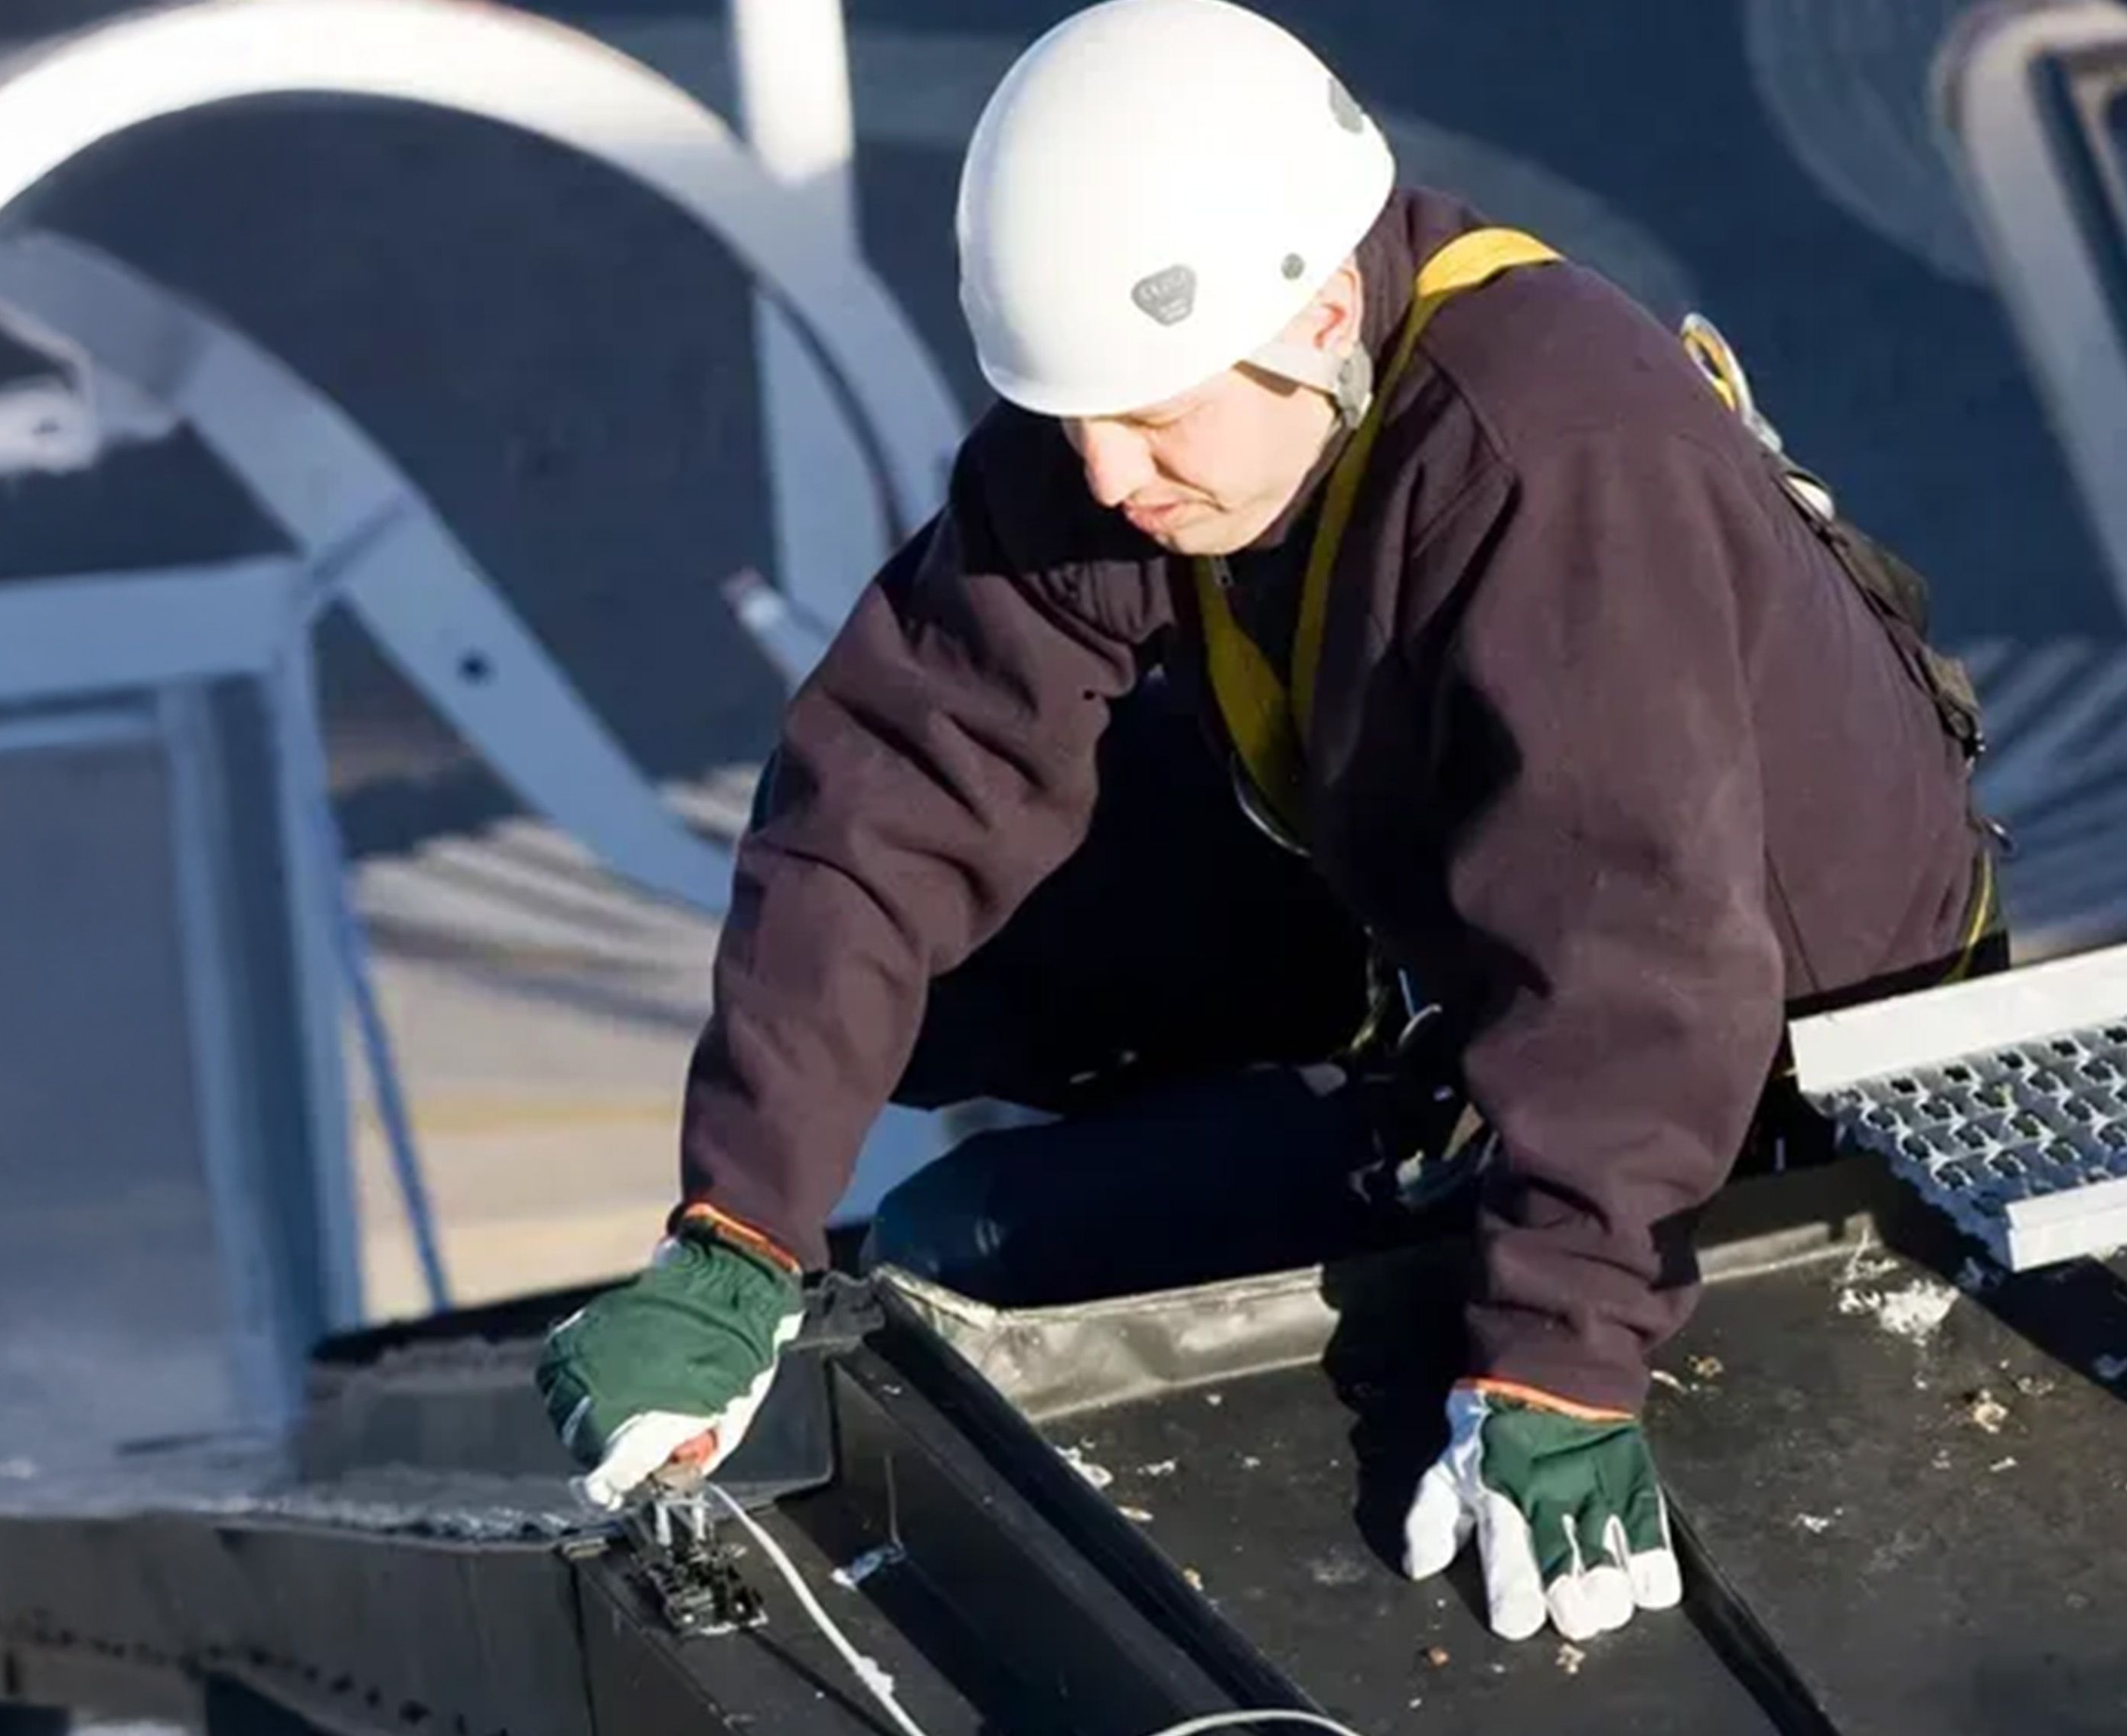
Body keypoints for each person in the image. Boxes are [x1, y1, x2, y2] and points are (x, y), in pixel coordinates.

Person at [535, 0, 2000, 1646]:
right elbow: (889, 787)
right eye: (1078, 420)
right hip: (1451, 912)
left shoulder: (1556, 463)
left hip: (1763, 1085)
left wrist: (1560, 1359)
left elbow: (1640, 957)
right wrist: (740, 1230)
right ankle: (1308, 1086)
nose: (1107, 475)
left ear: (1322, 317)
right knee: (931, 963)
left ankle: (1401, 1161)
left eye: (1153, 419)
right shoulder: (1178, 410)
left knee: (973, 1242)